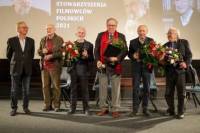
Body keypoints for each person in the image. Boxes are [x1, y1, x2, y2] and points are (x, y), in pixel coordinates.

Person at [95, 17, 128, 118]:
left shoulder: (121, 36)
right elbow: (96, 50)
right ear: (106, 25)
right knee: (103, 89)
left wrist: (117, 58)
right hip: (103, 66)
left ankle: (115, 109)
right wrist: (98, 61)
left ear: (116, 26)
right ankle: (103, 108)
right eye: (109, 25)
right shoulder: (101, 35)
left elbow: (125, 50)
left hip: (115, 66)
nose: (111, 27)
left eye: (113, 25)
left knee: (115, 89)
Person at [7, 21, 35, 116]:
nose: (26, 29)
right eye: (24, 27)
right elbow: (9, 55)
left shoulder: (31, 41)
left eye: (27, 27)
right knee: (14, 90)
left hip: (27, 69)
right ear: (18, 29)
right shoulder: (11, 40)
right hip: (15, 68)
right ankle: (14, 108)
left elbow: (31, 55)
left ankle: (26, 107)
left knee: (26, 90)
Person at [164, 27, 192, 119]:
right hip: (169, 72)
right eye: (168, 33)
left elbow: (189, 55)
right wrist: (160, 61)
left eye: (171, 33)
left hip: (180, 72)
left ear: (177, 34)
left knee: (181, 93)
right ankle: (171, 110)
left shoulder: (184, 42)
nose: (169, 34)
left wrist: (186, 63)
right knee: (168, 93)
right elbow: (163, 61)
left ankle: (180, 112)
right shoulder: (165, 46)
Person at [67, 26, 94, 115]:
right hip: (73, 69)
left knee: (84, 90)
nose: (81, 34)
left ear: (85, 34)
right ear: (76, 34)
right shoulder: (71, 45)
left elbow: (92, 59)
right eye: (79, 32)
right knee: (73, 90)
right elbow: (68, 59)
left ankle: (86, 109)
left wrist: (87, 56)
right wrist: (70, 57)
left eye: (82, 33)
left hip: (84, 69)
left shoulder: (89, 45)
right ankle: (72, 108)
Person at [128, 25, 153, 117]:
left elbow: (154, 53)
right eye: (140, 31)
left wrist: (151, 55)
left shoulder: (151, 41)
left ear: (146, 32)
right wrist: (133, 56)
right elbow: (129, 53)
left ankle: (145, 108)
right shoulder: (132, 42)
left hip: (147, 68)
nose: (142, 32)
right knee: (135, 88)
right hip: (136, 68)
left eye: (143, 31)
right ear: (137, 32)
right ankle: (135, 109)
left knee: (147, 88)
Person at [38, 24, 64, 112]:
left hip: (55, 66)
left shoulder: (59, 39)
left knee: (56, 86)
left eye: (50, 28)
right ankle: (47, 105)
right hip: (44, 66)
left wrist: (51, 55)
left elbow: (61, 53)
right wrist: (42, 51)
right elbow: (39, 51)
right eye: (47, 29)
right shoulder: (43, 39)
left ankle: (56, 105)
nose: (48, 30)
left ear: (54, 29)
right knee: (45, 86)